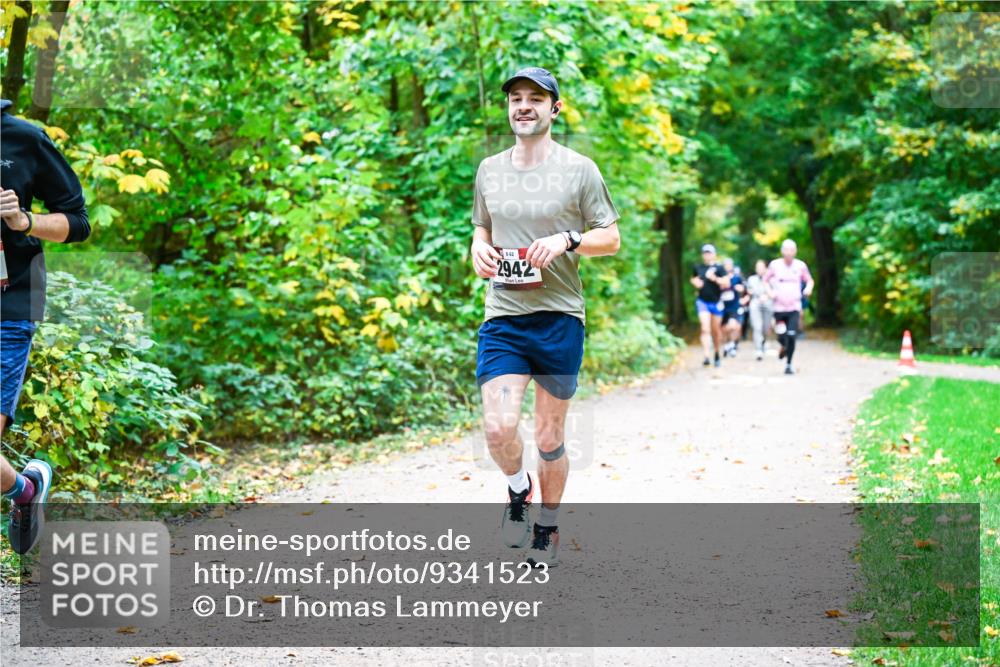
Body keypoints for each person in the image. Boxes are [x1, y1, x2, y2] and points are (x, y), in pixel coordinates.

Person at [470, 68, 620, 567]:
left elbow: (611, 238)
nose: (524, 106)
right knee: (497, 428)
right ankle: (518, 492)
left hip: (559, 317)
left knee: (550, 437)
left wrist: (568, 239)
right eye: (516, 98)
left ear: (555, 108)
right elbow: (482, 227)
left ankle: (547, 529)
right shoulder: (489, 169)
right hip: (505, 318)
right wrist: (477, 248)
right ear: (508, 108)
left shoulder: (580, 170)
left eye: (536, 98)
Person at [1, 98, 90, 554]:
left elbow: (78, 222)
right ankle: (26, 489)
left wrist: (23, 220)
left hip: (9, 306)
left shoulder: (25, 139)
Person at [764, 240, 814, 375]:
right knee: (781, 335)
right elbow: (765, 280)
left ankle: (789, 364)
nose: (789, 253)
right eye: (786, 250)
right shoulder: (775, 265)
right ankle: (784, 346)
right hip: (779, 308)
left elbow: (809, 280)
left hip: (794, 307)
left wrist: (808, 289)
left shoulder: (800, 266)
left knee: (791, 335)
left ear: (795, 251)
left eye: (791, 250)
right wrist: (770, 292)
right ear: (782, 251)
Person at [690, 244, 729, 367]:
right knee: (705, 328)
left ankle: (717, 353)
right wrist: (696, 283)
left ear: (714, 254)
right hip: (702, 301)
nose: (707, 255)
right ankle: (706, 355)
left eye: (709, 253)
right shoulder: (698, 267)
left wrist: (714, 278)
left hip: (716, 302)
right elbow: (693, 279)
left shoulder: (719, 268)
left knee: (716, 330)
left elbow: (726, 283)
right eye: (705, 253)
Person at [745, 259, 774, 360]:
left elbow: (775, 291)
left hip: (768, 303)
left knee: (766, 327)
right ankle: (758, 349)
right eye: (757, 268)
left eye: (761, 267)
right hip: (756, 303)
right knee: (757, 326)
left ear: (766, 268)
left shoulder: (771, 279)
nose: (759, 270)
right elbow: (748, 291)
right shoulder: (751, 279)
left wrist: (767, 296)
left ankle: (764, 342)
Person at [720, 258, 745, 357]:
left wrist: (740, 289)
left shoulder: (736, 277)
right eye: (726, 265)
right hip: (722, 306)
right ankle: (727, 344)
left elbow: (743, 287)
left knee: (734, 326)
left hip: (734, 306)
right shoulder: (720, 278)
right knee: (724, 328)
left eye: (729, 265)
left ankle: (732, 344)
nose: (727, 267)